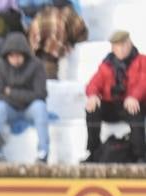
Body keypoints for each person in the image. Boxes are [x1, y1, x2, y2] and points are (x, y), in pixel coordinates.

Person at [84, 30, 145, 163]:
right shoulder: (106, 64)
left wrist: (134, 96)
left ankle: (140, 154)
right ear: (113, 48)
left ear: (130, 43)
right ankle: (93, 152)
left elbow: (143, 82)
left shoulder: (142, 61)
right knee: (92, 108)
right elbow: (94, 83)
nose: (121, 49)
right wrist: (93, 95)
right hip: (113, 105)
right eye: (117, 46)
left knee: (135, 109)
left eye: (124, 45)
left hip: (133, 103)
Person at [0, 33, 49, 163]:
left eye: (18, 55)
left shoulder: (37, 65)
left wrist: (11, 92)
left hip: (30, 109)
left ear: (24, 54)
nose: (15, 59)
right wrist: (26, 95)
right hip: (10, 109)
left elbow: (41, 94)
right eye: (12, 56)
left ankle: (43, 153)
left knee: (40, 107)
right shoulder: (0, 67)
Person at [26, 0, 88, 79]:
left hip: (38, 43)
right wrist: (71, 44)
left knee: (42, 61)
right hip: (54, 47)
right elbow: (82, 32)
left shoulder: (44, 11)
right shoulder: (70, 13)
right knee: (49, 64)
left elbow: (32, 30)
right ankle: (49, 79)